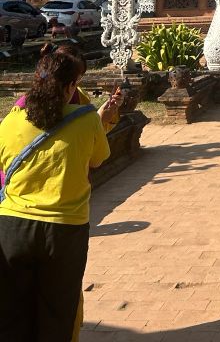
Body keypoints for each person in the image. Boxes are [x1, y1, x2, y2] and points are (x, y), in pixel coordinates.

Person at [0, 51, 118, 341]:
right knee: (58, 311)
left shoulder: (10, 121)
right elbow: (98, 159)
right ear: (69, 88)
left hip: (13, 227)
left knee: (11, 309)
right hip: (64, 229)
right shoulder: (87, 120)